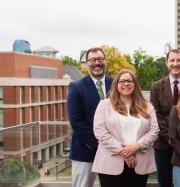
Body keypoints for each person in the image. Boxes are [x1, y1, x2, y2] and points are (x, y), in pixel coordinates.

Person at [91, 69, 159, 187]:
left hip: (139, 163)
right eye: (122, 81)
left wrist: (137, 146)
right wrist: (125, 152)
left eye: (129, 81)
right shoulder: (104, 105)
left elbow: (154, 130)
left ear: (135, 84)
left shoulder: (147, 106)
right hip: (110, 163)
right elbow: (100, 132)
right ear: (116, 84)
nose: (126, 84)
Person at [68, 47, 113, 187]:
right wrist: (99, 143)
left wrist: (111, 144)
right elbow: (76, 121)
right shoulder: (76, 87)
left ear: (105, 61)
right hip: (85, 150)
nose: (97, 63)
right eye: (92, 60)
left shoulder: (116, 84)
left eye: (100, 59)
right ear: (87, 63)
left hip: (113, 151)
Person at [150, 49, 180, 187]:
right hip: (163, 144)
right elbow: (155, 115)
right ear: (166, 63)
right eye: (172, 60)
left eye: (179, 60)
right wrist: (171, 138)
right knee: (164, 182)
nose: (175, 64)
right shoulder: (156, 87)